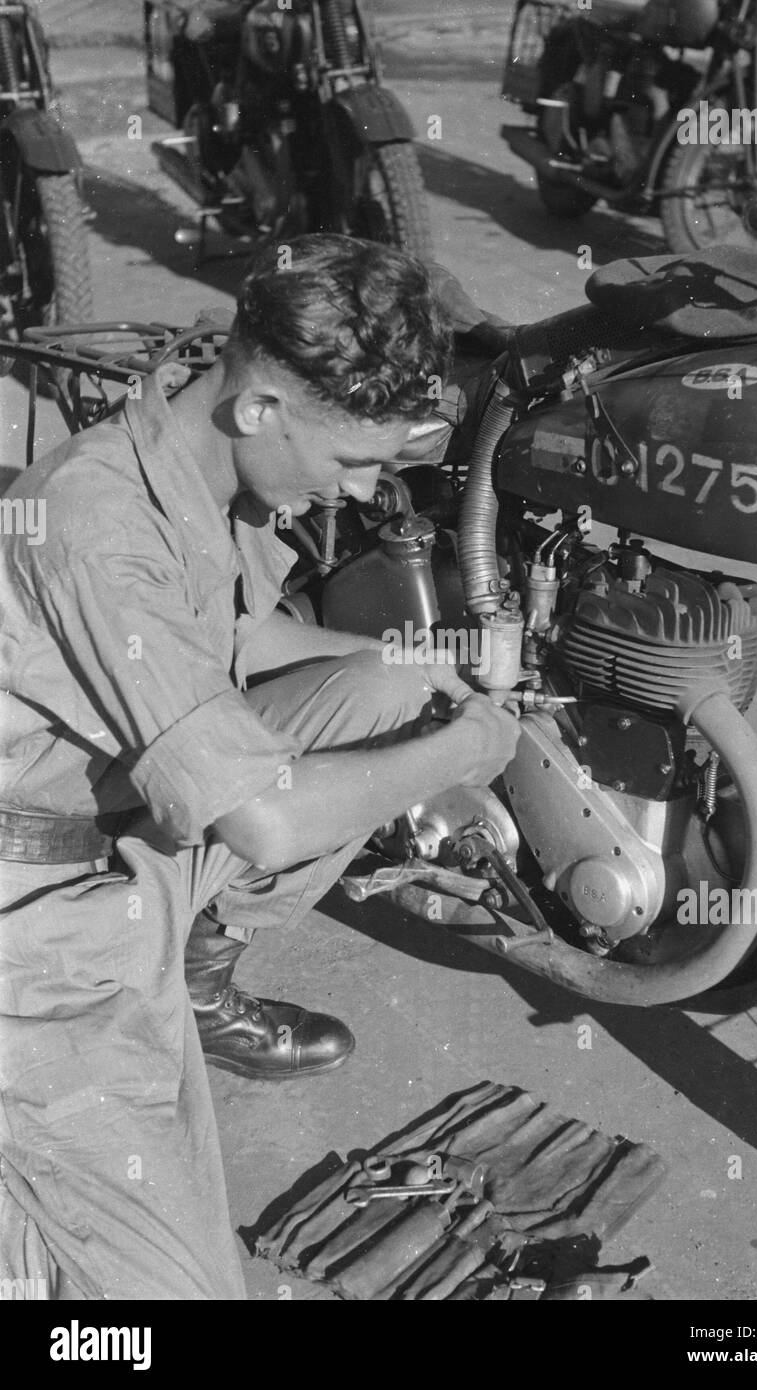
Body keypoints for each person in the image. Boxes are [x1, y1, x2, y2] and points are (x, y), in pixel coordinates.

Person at [0, 234, 520, 1299]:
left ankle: (190, 974)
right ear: (259, 409)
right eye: (353, 461)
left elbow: (243, 643)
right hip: (38, 924)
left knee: (388, 685)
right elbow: (270, 826)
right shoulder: (96, 522)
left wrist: (434, 662)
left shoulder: (193, 459)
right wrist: (470, 747)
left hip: (132, 840)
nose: (365, 489)